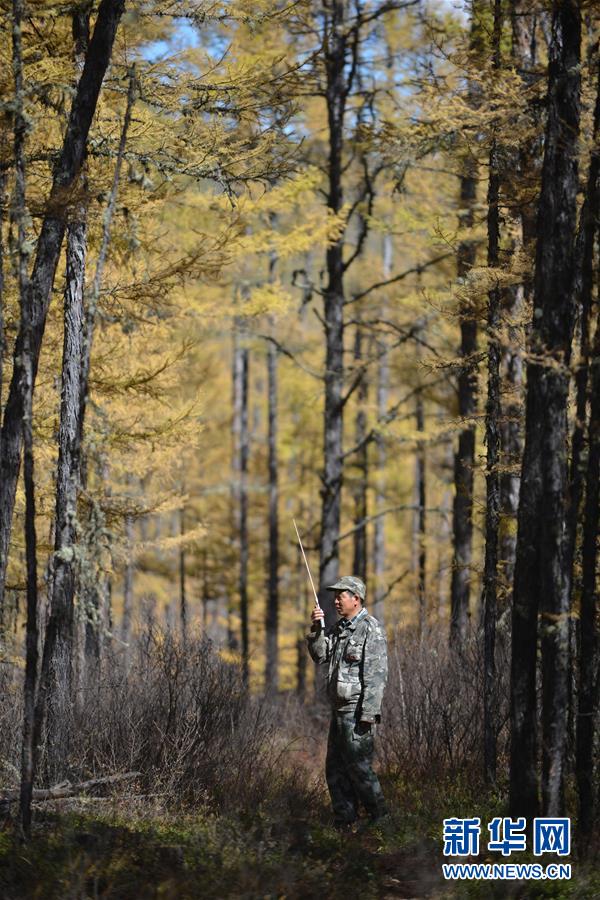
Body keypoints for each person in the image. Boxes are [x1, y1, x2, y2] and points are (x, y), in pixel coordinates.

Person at [307, 575, 388, 830]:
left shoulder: (370, 629)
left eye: (341, 596)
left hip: (356, 713)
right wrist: (318, 628)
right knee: (335, 770)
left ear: (356, 598)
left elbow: (376, 675)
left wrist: (368, 714)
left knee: (360, 770)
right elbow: (320, 655)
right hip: (338, 712)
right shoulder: (339, 628)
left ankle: (381, 821)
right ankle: (346, 822)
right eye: (336, 596)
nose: (335, 601)